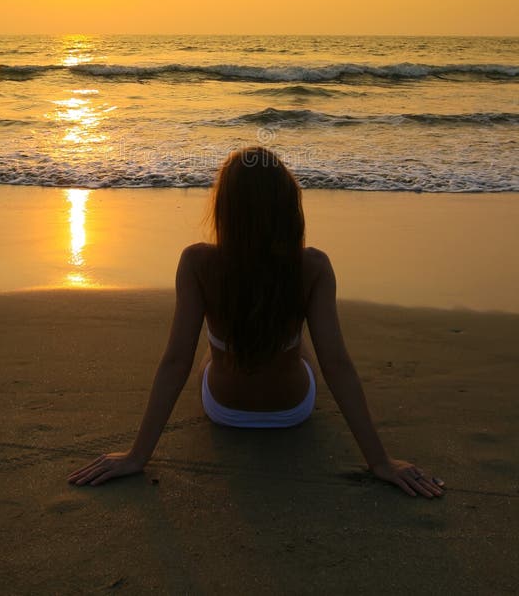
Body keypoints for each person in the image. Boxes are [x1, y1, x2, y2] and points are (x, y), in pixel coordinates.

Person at [68, 147, 444, 498]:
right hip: (293, 409)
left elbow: (174, 363)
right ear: (288, 207)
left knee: (205, 354)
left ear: (225, 208)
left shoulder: (197, 262)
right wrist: (379, 460)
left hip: (224, 409)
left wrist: (138, 456)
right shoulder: (313, 266)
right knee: (306, 349)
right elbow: (338, 365)